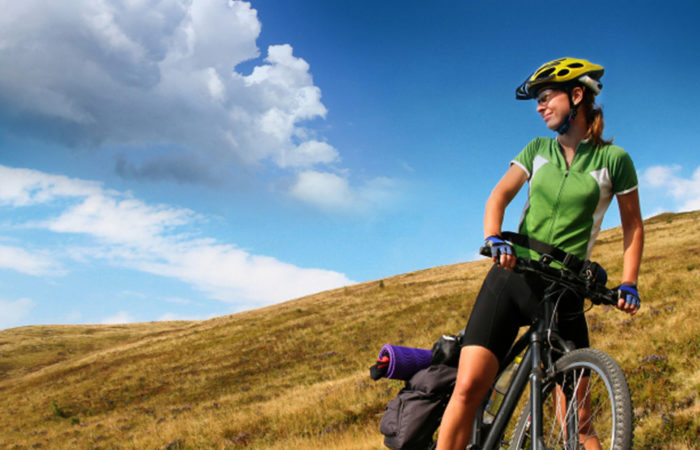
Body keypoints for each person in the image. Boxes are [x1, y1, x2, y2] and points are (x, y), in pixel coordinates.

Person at [436, 57, 644, 450]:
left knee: (580, 419)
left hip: (566, 289)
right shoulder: (537, 149)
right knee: (467, 390)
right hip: (513, 276)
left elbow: (633, 225)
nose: (539, 106)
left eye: (547, 97)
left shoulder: (614, 161)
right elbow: (498, 195)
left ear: (577, 95)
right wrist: (494, 238)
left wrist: (629, 282)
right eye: (538, 100)